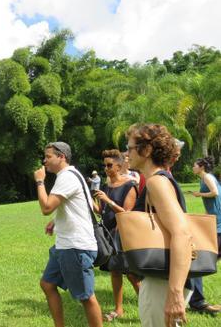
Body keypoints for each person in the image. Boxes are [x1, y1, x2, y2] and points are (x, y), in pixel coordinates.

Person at [126, 124, 193, 327]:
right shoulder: (158, 180)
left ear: (146, 150)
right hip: (162, 276)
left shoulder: (157, 182)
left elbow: (182, 234)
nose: (126, 153)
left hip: (162, 281)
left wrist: (175, 293)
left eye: (129, 148)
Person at [34, 141, 103, 327]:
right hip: (64, 244)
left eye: (48, 157)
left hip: (76, 246)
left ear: (61, 156)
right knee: (47, 284)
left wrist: (40, 181)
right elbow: (79, 206)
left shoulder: (67, 177)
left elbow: (46, 207)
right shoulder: (72, 175)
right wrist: (56, 221)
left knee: (86, 297)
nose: (44, 161)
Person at [92, 149, 140, 322]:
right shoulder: (105, 186)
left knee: (131, 273)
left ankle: (148, 304)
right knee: (114, 271)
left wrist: (108, 200)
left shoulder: (129, 186)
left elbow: (127, 213)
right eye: (104, 165)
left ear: (119, 166)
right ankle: (118, 309)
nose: (106, 168)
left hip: (123, 235)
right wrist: (91, 202)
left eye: (109, 165)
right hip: (108, 234)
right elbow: (101, 211)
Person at [188, 156, 221, 314]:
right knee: (198, 261)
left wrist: (199, 195)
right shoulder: (207, 177)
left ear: (201, 166)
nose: (193, 167)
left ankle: (196, 301)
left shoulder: (207, 176)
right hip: (215, 222)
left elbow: (214, 193)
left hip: (219, 225)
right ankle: (196, 300)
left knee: (198, 261)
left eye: (194, 165)